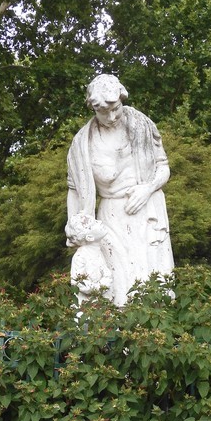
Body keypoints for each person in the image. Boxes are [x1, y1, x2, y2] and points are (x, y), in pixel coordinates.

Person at [66, 74, 174, 306]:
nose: (111, 116)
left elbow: (163, 168)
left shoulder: (142, 125)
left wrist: (147, 189)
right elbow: (75, 189)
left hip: (147, 209)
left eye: (116, 108)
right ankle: (120, 336)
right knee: (118, 279)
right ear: (92, 107)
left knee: (151, 276)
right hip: (110, 216)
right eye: (103, 111)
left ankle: (152, 333)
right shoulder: (82, 143)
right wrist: (75, 227)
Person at [65, 214, 113, 305]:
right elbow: (77, 282)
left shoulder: (97, 251)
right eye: (94, 223)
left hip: (99, 303)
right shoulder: (81, 256)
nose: (99, 221)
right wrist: (99, 287)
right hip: (86, 306)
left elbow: (105, 272)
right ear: (89, 237)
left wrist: (107, 278)